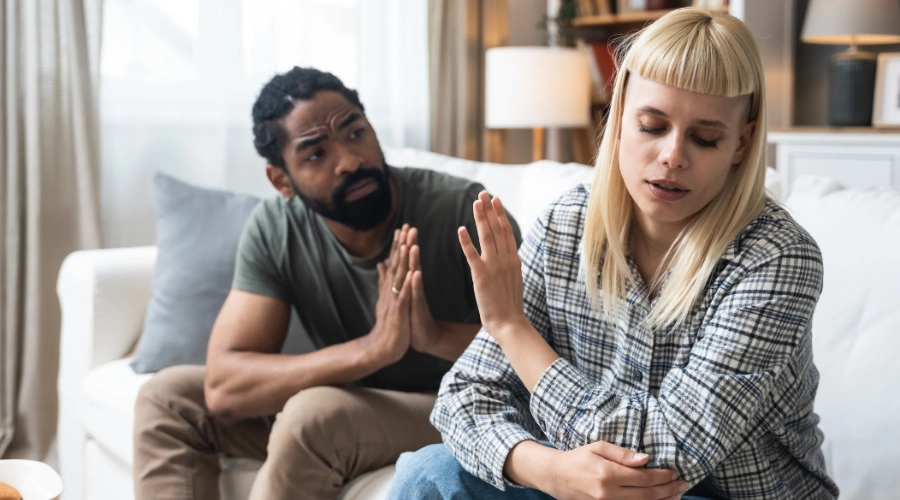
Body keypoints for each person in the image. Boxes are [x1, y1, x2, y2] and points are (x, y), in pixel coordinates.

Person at [389, 8, 839, 500]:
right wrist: (547, 470)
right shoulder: (567, 225)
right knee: (429, 472)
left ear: (741, 143)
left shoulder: (777, 258)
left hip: (724, 496)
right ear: (619, 115)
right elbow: (463, 398)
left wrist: (512, 329)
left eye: (705, 138)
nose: (672, 156)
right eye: (652, 126)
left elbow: (668, 451)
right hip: (587, 483)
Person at [132, 67, 521, 500]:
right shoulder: (277, 229)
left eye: (355, 133)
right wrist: (371, 350)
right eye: (316, 154)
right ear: (282, 180)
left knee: (313, 414)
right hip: (355, 404)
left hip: (455, 403)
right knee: (169, 399)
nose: (350, 160)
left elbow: (548, 348)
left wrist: (433, 336)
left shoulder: (463, 210)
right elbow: (224, 386)